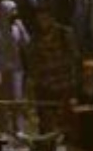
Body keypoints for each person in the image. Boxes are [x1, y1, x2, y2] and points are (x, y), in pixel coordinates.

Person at [25, 7, 80, 135]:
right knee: (46, 123)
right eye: (40, 19)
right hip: (45, 87)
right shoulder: (35, 38)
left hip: (65, 85)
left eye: (45, 18)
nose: (42, 22)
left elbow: (75, 56)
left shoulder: (64, 33)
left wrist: (74, 81)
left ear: (51, 18)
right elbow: (32, 61)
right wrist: (34, 80)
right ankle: (47, 146)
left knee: (67, 122)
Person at [0, 0, 31, 136]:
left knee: (17, 99)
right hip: (2, 68)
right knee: (3, 101)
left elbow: (27, 44)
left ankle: (19, 128)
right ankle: (4, 129)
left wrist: (22, 28)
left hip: (16, 68)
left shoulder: (16, 29)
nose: (15, 13)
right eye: (12, 10)